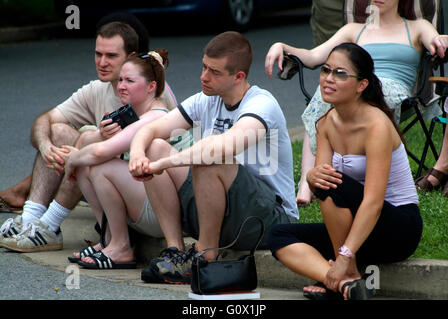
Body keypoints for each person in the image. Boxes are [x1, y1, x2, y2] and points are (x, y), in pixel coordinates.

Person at [128, 31, 298, 284]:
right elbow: (150, 129)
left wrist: (161, 165)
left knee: (210, 158)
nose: (203, 77)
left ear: (238, 77)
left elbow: (220, 148)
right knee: (155, 146)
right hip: (221, 211)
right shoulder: (206, 99)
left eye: (214, 72)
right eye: (204, 67)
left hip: (268, 220)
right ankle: (175, 252)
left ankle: (204, 256)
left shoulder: (262, 104)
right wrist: (138, 156)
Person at [0, 21, 177, 252]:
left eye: (111, 56)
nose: (102, 63)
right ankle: (31, 220)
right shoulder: (97, 89)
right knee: (59, 132)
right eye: (98, 54)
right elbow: (45, 121)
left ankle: (51, 226)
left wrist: (83, 150)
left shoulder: (153, 98)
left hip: (149, 193)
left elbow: (109, 152)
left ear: (132, 58)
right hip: (118, 181)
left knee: (90, 149)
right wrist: (46, 147)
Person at [267, 42, 423, 300]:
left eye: (340, 73)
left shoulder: (377, 126)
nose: (328, 79)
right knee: (279, 234)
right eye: (326, 70)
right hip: (354, 233)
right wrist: (309, 176)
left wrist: (344, 256)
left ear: (362, 85)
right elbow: (321, 182)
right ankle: (345, 285)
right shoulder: (326, 123)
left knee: (331, 182)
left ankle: (343, 272)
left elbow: (372, 202)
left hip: (397, 229)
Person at [265, 0, 448, 206]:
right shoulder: (354, 30)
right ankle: (307, 183)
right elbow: (314, 56)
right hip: (352, 87)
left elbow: (437, 40)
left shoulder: (417, 26)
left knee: (341, 88)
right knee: (328, 88)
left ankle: (319, 178)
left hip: (393, 93)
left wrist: (442, 39)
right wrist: (280, 45)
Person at [60, 51, 190, 268]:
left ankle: (121, 247)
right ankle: (109, 239)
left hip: (167, 212)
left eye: (130, 80)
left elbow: (100, 153)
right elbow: (88, 144)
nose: (121, 85)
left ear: (151, 87)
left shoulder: (157, 115)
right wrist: (98, 137)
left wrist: (72, 160)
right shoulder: (133, 115)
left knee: (100, 167)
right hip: (146, 203)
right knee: (88, 165)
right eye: (120, 79)